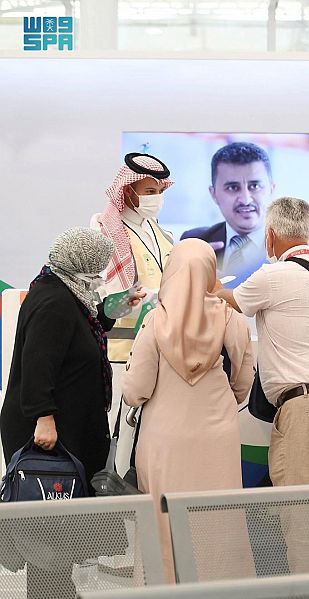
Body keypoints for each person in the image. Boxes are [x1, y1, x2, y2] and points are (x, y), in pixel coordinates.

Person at [0, 228, 130, 598]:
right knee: (49, 535)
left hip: (66, 426)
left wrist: (113, 312)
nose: (100, 276)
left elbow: (83, 331)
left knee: (58, 532)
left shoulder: (64, 291)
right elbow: (37, 365)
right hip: (47, 432)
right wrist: (44, 417)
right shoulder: (54, 302)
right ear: (81, 264)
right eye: (97, 268)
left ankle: (57, 591)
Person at [121, 239, 255, 583]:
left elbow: (135, 391)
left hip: (164, 440)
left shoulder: (155, 322)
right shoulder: (231, 319)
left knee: (162, 520)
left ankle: (166, 586)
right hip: (218, 437)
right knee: (218, 519)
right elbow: (243, 383)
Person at [215, 197, 309, 488]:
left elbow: (233, 300)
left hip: (307, 404)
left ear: (270, 236)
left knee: (298, 500)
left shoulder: (272, 275)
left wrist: (211, 284)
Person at [91, 152, 174, 474]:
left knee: (149, 445)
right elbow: (101, 298)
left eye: (160, 192)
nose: (156, 199)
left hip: (160, 351)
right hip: (120, 355)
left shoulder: (162, 233)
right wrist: (133, 299)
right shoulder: (104, 230)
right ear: (127, 191)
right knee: (117, 443)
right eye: (149, 191)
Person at [182, 141, 276, 279]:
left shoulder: (297, 248)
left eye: (255, 186)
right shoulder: (194, 243)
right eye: (233, 188)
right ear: (214, 194)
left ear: (272, 189)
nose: (245, 200)